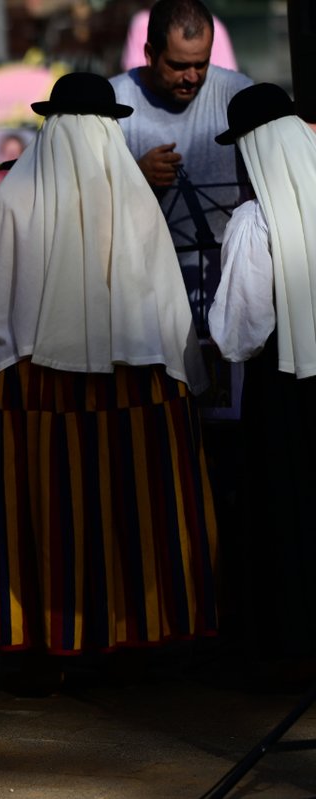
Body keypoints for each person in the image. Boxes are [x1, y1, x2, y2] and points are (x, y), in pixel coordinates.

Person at [0, 72, 218, 669]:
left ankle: (40, 639)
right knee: (130, 507)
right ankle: (136, 633)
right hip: (133, 386)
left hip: (31, 390)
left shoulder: (14, 198)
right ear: (110, 128)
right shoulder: (131, 197)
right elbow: (165, 307)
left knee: (46, 516)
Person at [208, 83, 316, 663]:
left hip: (283, 390)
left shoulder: (255, 219)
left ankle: (288, 648)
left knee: (284, 511)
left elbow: (237, 335)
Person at [109, 0, 251, 324]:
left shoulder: (238, 94)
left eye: (201, 64)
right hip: (143, 296)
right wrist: (135, 176)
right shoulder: (113, 103)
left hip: (227, 287)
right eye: (177, 65)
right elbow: (83, 201)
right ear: (149, 53)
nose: (191, 77)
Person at [121, 4, 237, 73]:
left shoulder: (212, 26)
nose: (190, 77)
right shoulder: (142, 24)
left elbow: (226, 80)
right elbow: (136, 76)